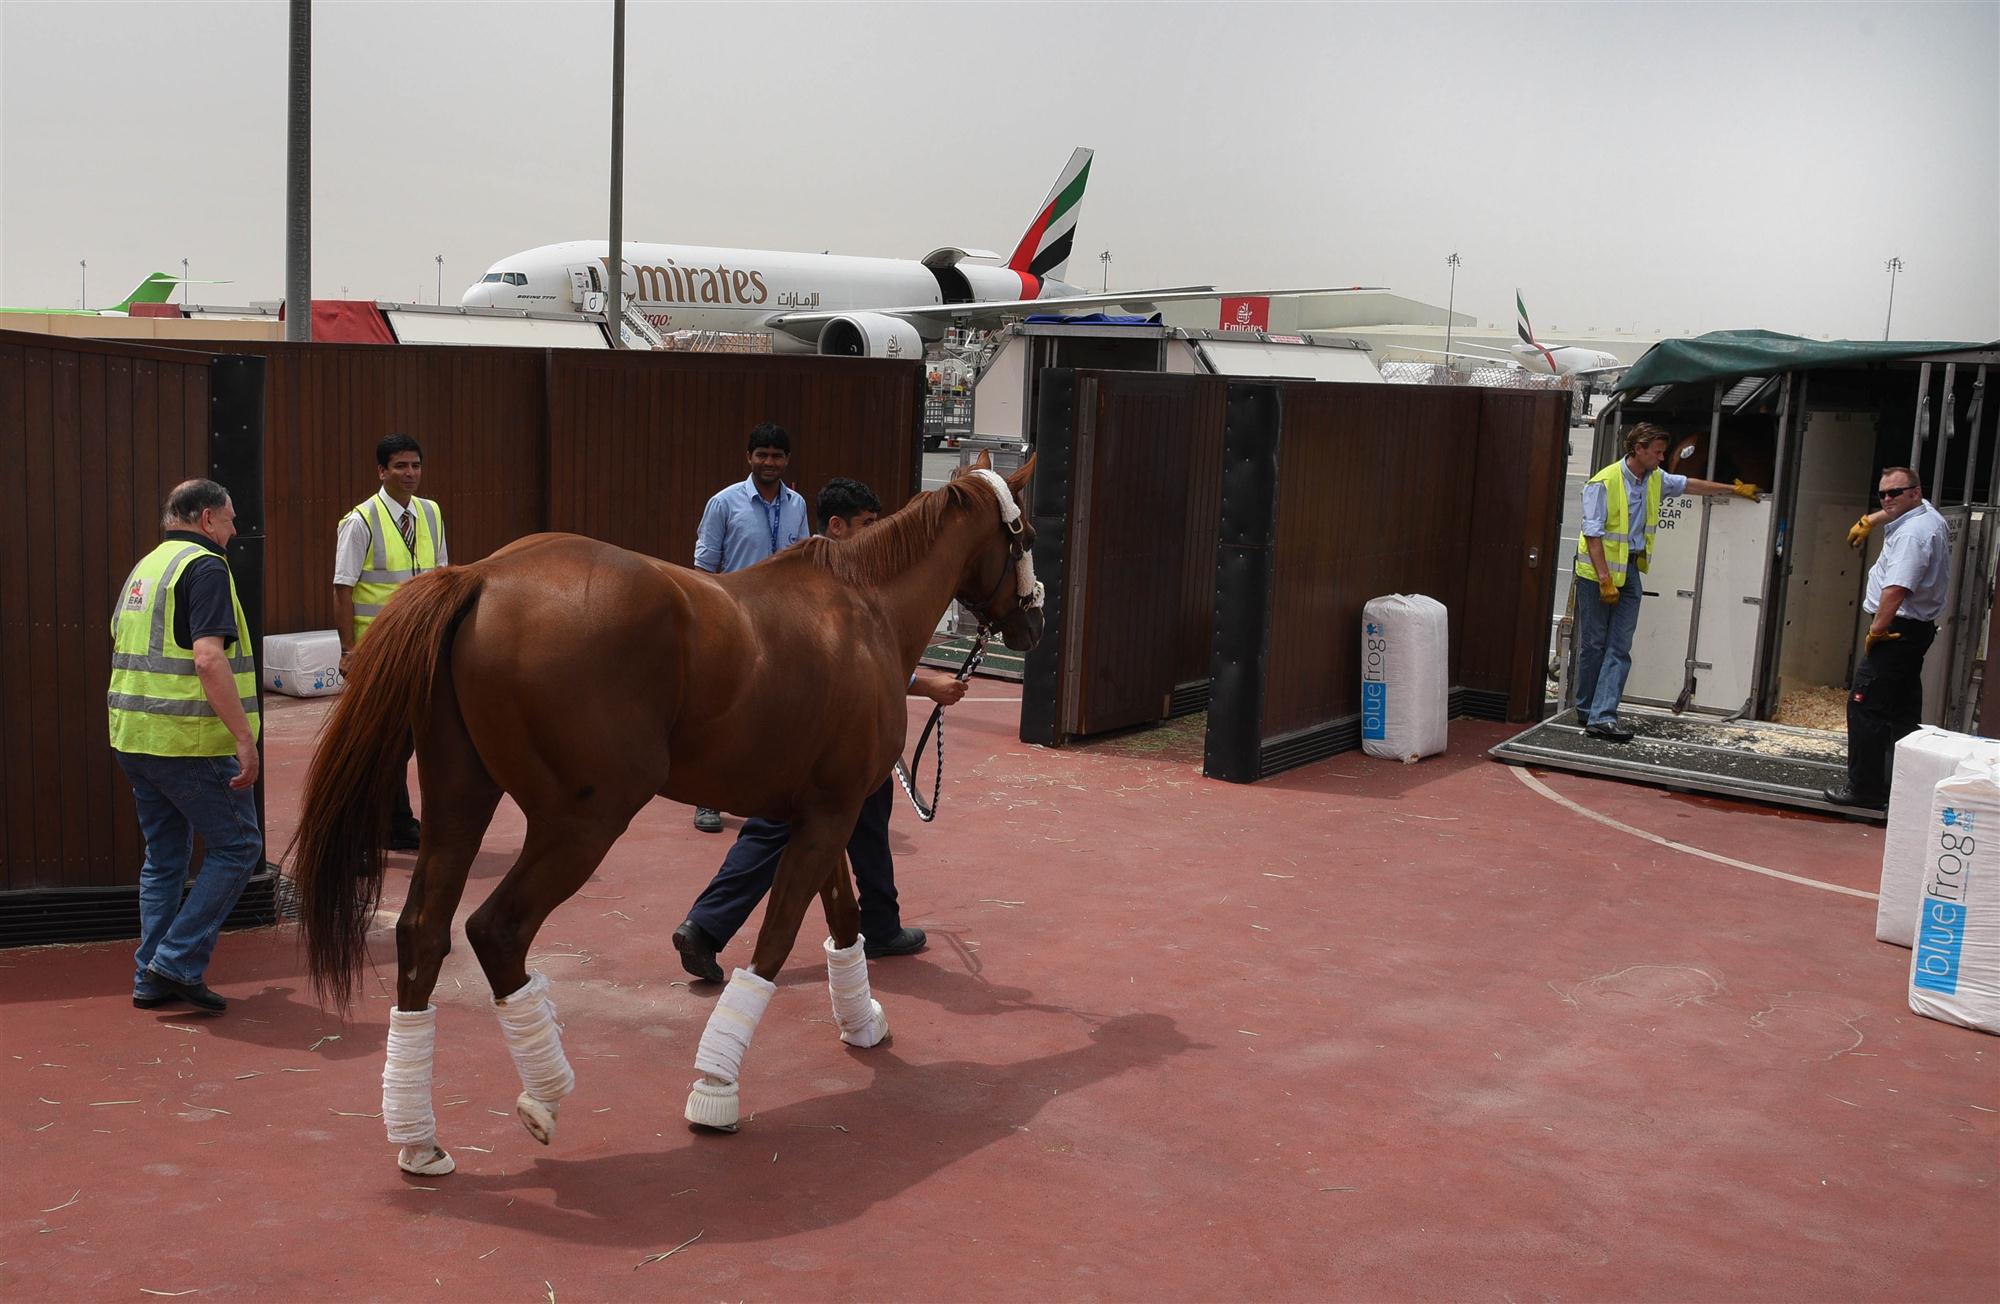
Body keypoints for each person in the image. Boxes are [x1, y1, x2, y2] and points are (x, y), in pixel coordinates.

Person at [673, 477, 963, 979]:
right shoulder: (829, 583)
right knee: (780, 826)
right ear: (837, 527)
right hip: (824, 731)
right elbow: (861, 661)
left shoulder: (823, 572)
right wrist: (923, 683)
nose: (877, 535)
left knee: (867, 815)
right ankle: (711, 926)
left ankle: (877, 922)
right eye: (867, 526)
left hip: (832, 727)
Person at [109, 480, 263, 1015]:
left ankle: (151, 975)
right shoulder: (205, 568)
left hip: (136, 738)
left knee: (165, 858)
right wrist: (245, 738)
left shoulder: (147, 568)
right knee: (239, 847)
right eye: (229, 518)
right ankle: (174, 962)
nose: (234, 529)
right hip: (187, 742)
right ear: (204, 519)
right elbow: (207, 658)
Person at [1574, 422, 1762, 741]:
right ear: (1639, 450)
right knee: (1594, 644)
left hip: (1630, 572)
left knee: (1619, 645)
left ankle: (1602, 715)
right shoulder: (1604, 482)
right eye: (1658, 452)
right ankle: (1586, 708)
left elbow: (1689, 484)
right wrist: (1605, 579)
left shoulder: (1654, 479)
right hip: (1597, 575)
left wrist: (1733, 489)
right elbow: (1593, 535)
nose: (1663, 458)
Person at [688, 421, 813, 833]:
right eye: (762, 455)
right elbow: (704, 567)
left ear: (787, 461)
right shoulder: (724, 503)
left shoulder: (797, 505)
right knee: (720, 710)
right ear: (749, 458)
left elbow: (805, 563)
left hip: (782, 625)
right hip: (733, 620)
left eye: (777, 456)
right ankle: (707, 799)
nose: (769, 463)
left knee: (773, 711)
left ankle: (768, 796)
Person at [333, 433, 446, 851]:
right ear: (382, 471)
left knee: (404, 741)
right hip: (378, 653)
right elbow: (342, 589)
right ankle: (363, 830)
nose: (410, 473)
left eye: (415, 465)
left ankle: (396, 822)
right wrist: (349, 651)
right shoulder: (359, 521)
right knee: (380, 745)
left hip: (421, 647)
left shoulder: (431, 514)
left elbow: (440, 576)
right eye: (400, 466)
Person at [1824, 466, 1952, 810]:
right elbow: (1900, 508)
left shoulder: (1913, 536)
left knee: (1865, 707)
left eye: (1895, 493)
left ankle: (1865, 790)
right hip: (1915, 632)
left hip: (1896, 630)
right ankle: (1904, 787)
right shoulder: (1927, 516)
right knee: (1902, 713)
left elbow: (1896, 588)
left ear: (1915, 491)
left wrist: (1876, 631)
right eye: (1882, 494)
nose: (1887, 499)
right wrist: (1872, 519)